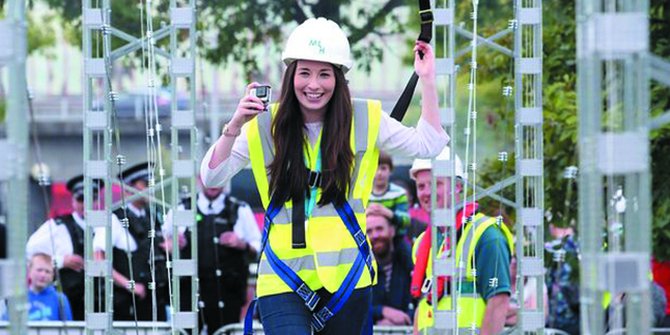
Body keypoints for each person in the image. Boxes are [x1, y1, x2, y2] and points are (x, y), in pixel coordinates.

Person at [200, 17, 448, 334]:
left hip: (348, 278)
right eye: (304, 73)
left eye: (324, 74)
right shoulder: (265, 123)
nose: (313, 84)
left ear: (338, 78)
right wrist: (234, 126)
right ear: (290, 77)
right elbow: (212, 177)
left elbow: (429, 144)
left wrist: (426, 80)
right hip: (283, 276)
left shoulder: (365, 117)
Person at [410, 148, 514, 335]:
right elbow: (424, 306)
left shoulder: (486, 235)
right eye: (421, 186)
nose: (426, 192)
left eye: (435, 183)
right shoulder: (422, 244)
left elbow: (498, 301)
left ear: (458, 186)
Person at [163, 179, 261, 333]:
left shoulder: (240, 209)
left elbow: (258, 245)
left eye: (219, 178)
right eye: (209, 178)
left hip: (228, 293)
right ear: (198, 179)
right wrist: (173, 244)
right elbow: (162, 243)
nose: (214, 183)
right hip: (190, 293)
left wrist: (241, 243)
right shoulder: (182, 208)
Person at [93, 162, 169, 321]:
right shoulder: (113, 219)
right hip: (127, 306)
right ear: (128, 189)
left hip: (155, 301)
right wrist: (129, 284)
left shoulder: (153, 217)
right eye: (145, 184)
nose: (151, 188)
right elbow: (98, 261)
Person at [25, 174, 102, 320]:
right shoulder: (58, 225)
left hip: (102, 299)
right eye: (81, 199)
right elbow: (30, 252)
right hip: (71, 298)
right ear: (73, 201)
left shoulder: (106, 226)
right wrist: (61, 261)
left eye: (92, 199)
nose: (86, 204)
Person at [366, 213, 414, 326]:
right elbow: (354, 308)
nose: (375, 235)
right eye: (369, 231)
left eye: (379, 229)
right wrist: (382, 312)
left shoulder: (407, 263)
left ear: (392, 231)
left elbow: (421, 301)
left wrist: (403, 318)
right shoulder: (360, 269)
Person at [0, 253, 73, 321]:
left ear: (52, 276)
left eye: (47, 271)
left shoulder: (60, 299)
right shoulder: (17, 298)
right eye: (39, 270)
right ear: (29, 271)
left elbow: (69, 329)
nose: (43, 275)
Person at [367, 151, 412, 250]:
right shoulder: (365, 194)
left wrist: (387, 213)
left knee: (406, 256)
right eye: (375, 168)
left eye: (383, 168)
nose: (379, 173)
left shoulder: (399, 193)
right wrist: (367, 213)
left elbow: (406, 220)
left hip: (396, 240)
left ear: (390, 170)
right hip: (369, 239)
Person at [505, 256, 548, 326]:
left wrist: (505, 315)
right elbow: (491, 315)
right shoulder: (497, 283)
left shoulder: (536, 283)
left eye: (516, 260)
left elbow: (536, 319)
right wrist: (522, 308)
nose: (513, 262)